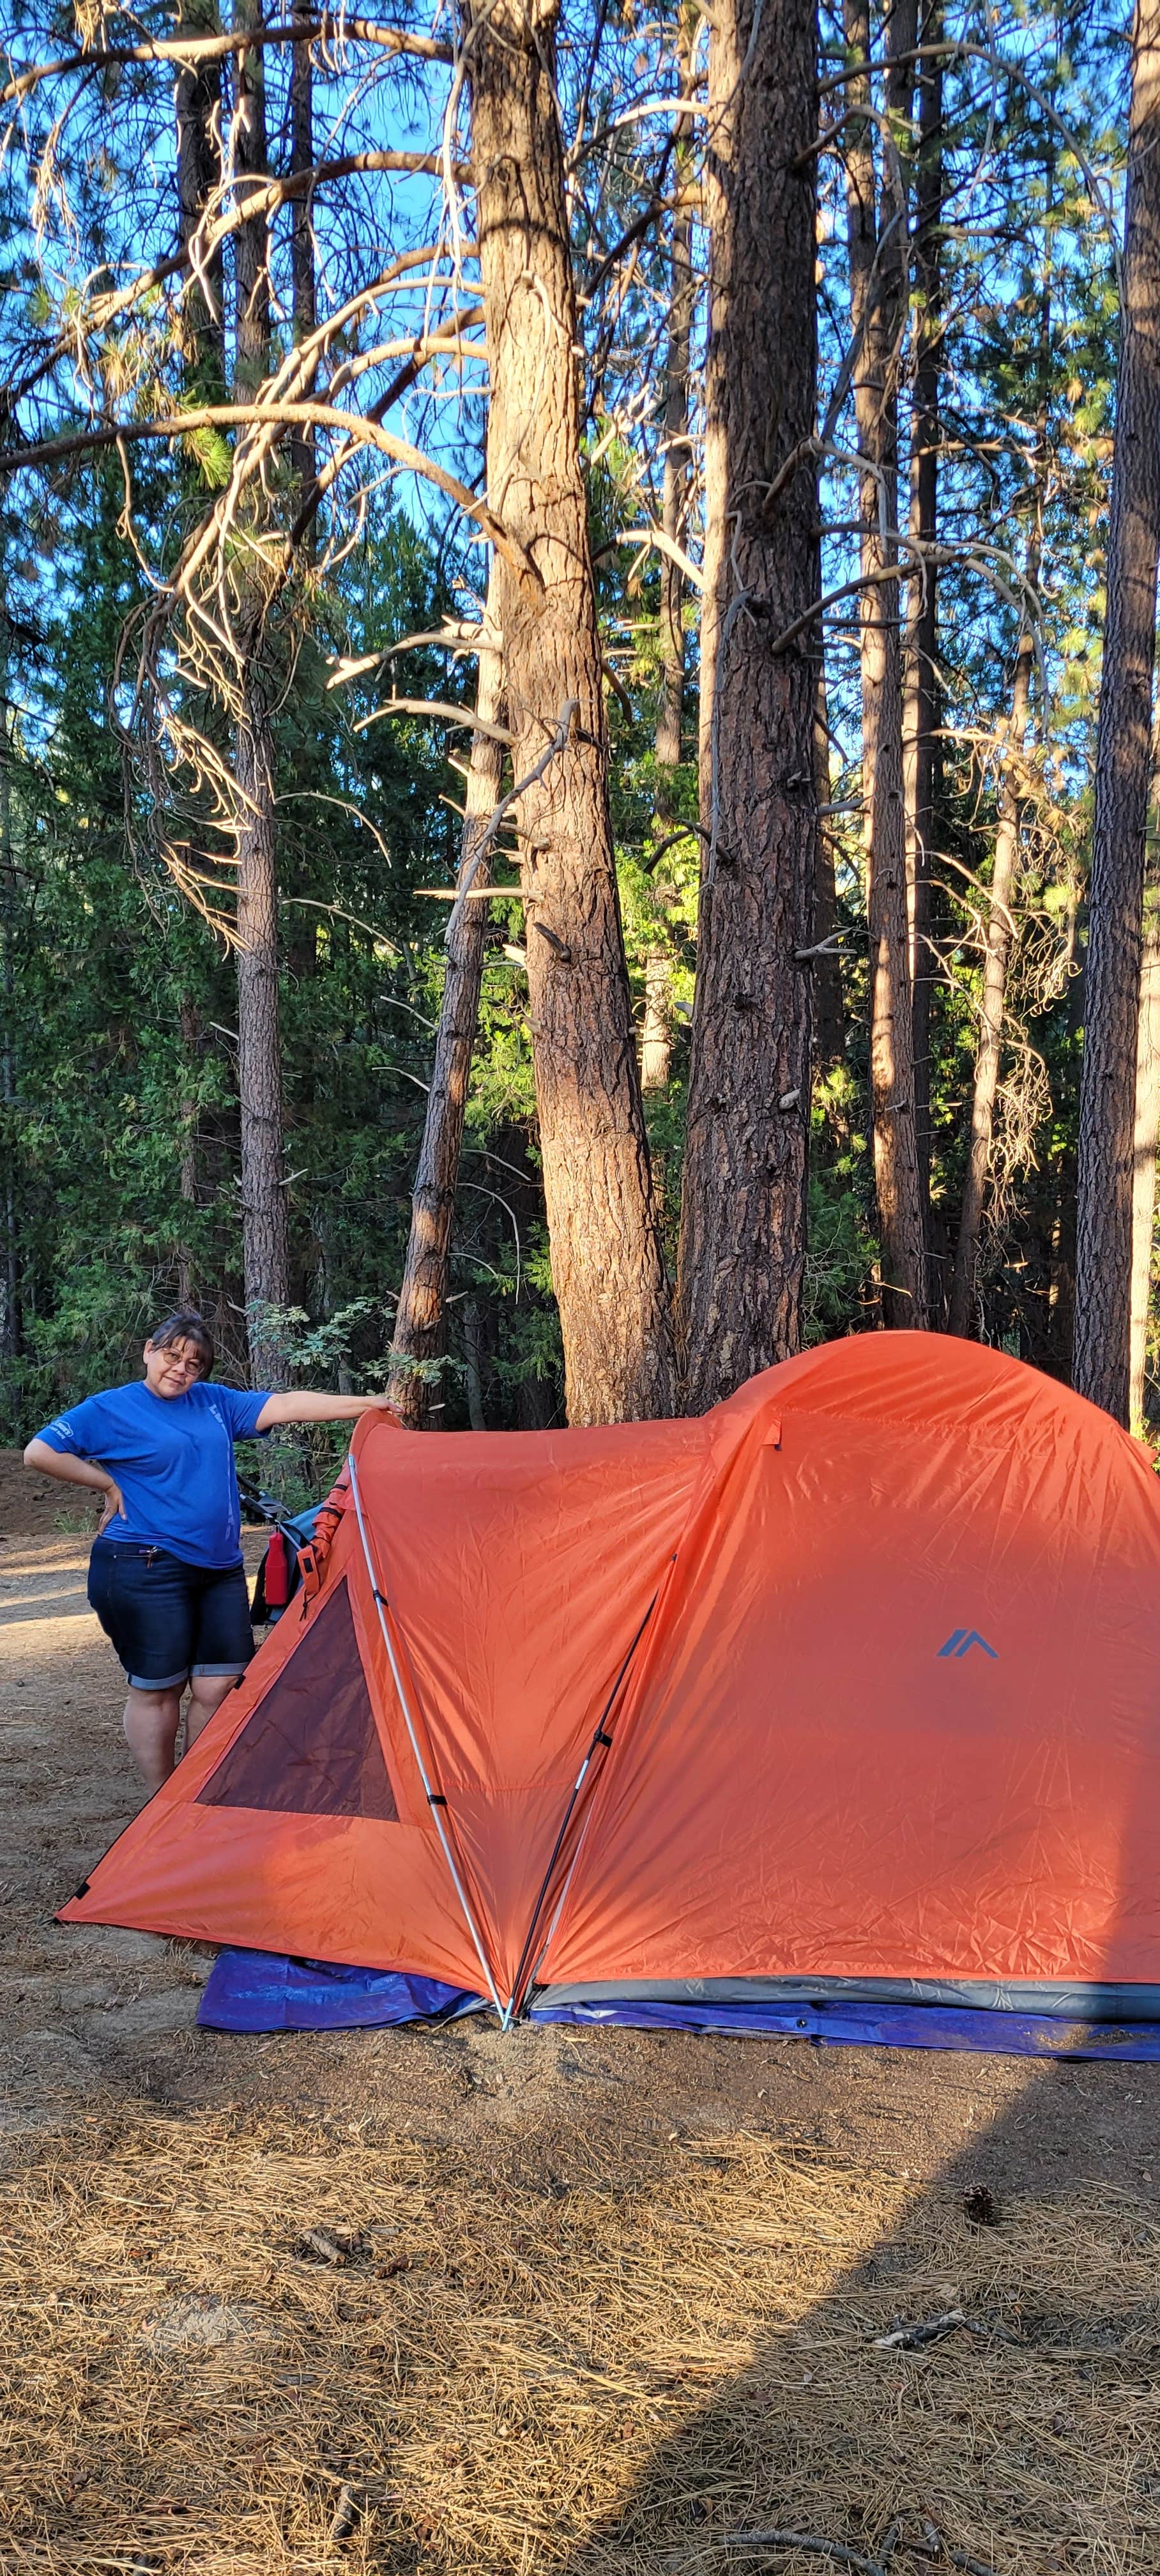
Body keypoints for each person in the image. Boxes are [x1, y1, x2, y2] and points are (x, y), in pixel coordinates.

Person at [23, 1308, 393, 1795]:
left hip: (219, 1570)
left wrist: (370, 1404)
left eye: (193, 1364)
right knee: (159, 1690)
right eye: (172, 1356)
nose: (180, 1369)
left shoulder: (214, 1404)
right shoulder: (110, 1408)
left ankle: (195, 1794)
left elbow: (286, 1405)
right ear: (149, 1353)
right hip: (143, 1565)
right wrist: (107, 1482)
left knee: (219, 1685)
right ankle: (162, 1802)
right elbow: (39, 1452)